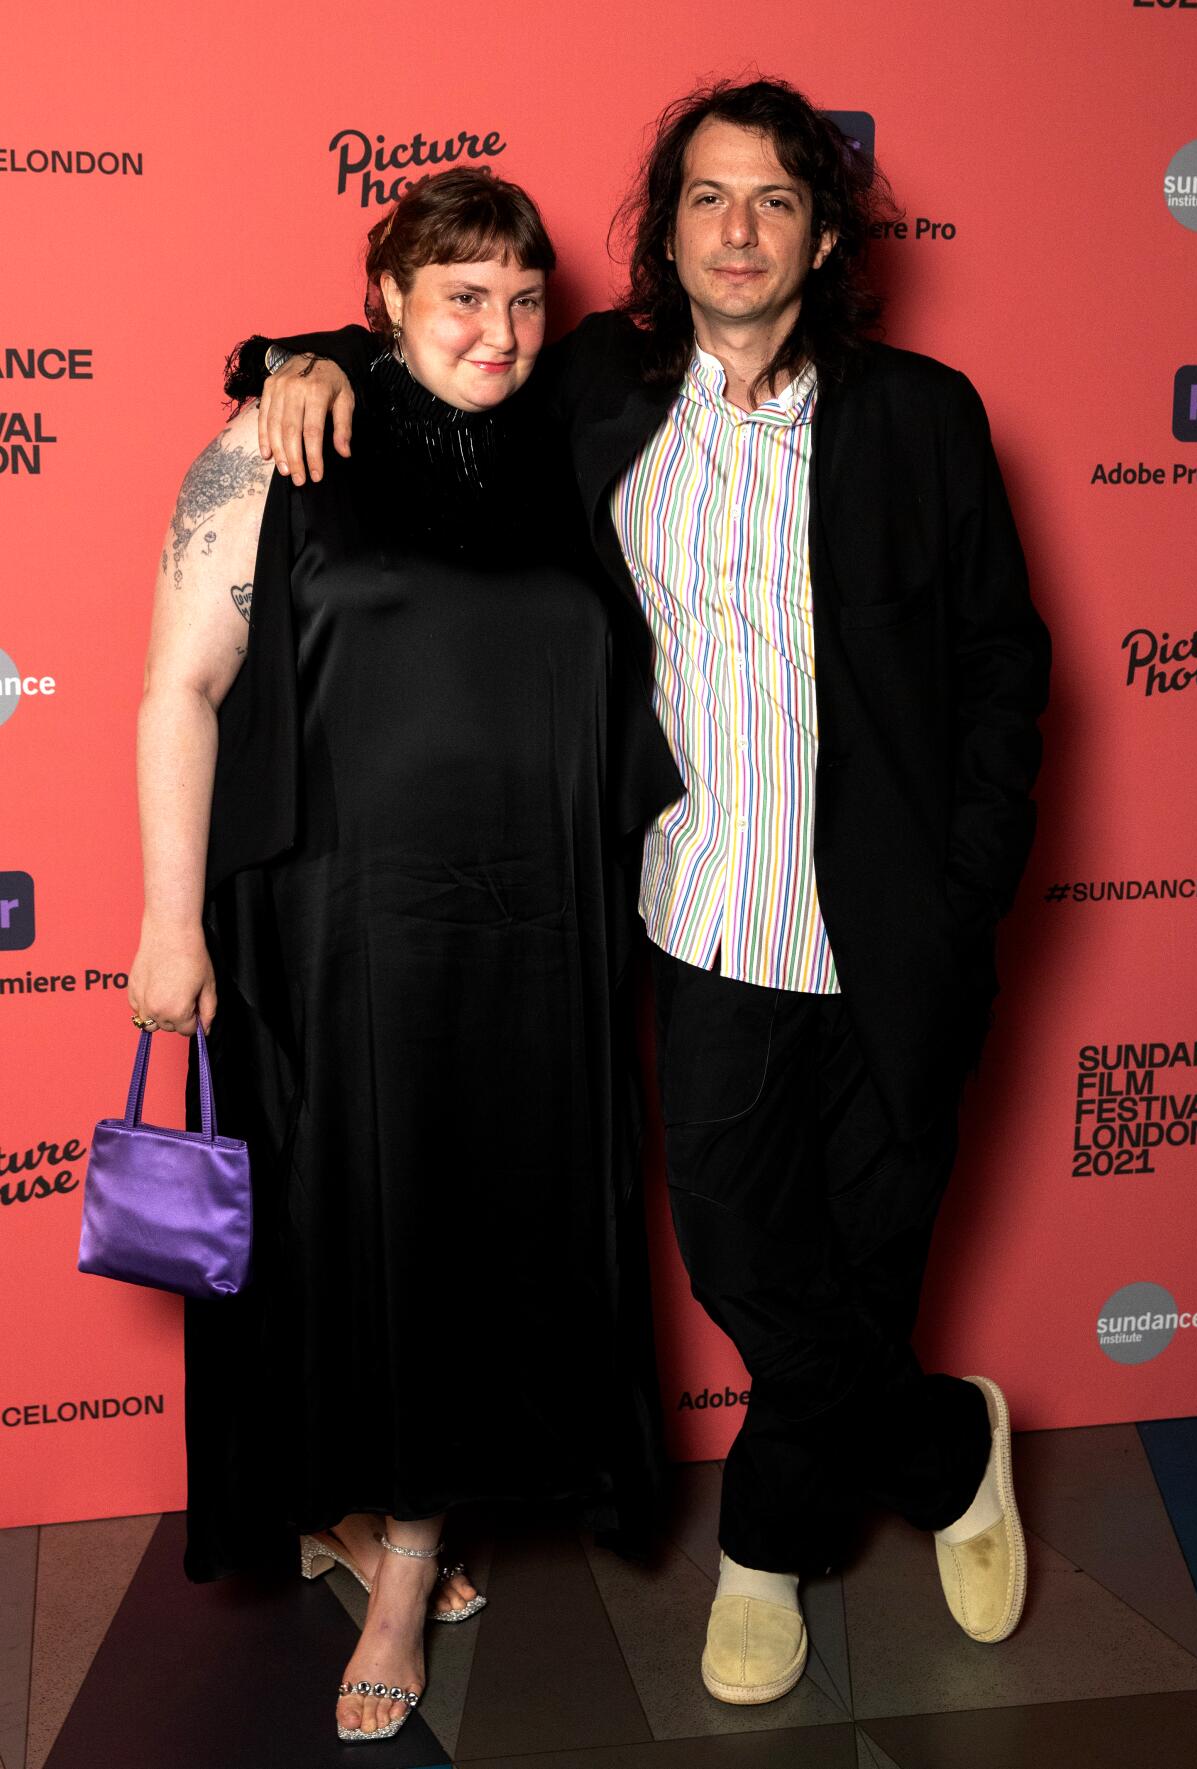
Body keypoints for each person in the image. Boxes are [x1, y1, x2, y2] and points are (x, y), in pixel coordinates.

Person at [233, 76, 1051, 1707]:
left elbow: (1004, 678)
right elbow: (428, 359)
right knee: (749, 1264)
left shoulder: (925, 416)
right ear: (665, 231)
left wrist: (963, 896)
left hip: (893, 936)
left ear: (825, 231)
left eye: (772, 199)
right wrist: (285, 362)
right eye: (705, 198)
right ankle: (951, 1438)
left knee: (870, 1261)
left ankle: (761, 1547)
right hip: (698, 920)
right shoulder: (596, 387)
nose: (738, 229)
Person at [129, 167, 682, 1743]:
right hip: (316, 921)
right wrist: (172, 918)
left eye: (523, 298)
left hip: (533, 938)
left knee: (471, 1233)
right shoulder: (281, 439)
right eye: (460, 296)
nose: (499, 329)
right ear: (384, 305)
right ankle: (348, 1502)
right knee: (323, 1221)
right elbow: (179, 689)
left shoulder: (575, 451)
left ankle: (409, 1551)